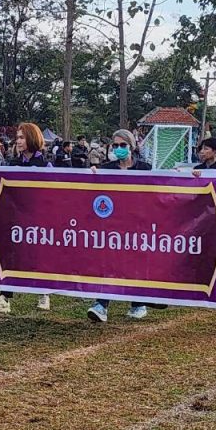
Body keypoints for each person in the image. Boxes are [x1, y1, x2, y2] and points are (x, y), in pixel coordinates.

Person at [86, 129, 157, 324]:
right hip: (113, 226)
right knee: (109, 263)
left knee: (136, 263)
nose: (119, 149)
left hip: (138, 225)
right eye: (115, 145)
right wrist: (92, 176)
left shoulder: (145, 168)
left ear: (131, 146)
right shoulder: (106, 168)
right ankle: (101, 305)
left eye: (122, 145)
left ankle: (138, 303)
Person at [0, 123, 52, 316]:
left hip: (39, 220)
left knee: (38, 256)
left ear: (32, 138)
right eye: (18, 137)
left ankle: (44, 293)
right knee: (11, 256)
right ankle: (4, 298)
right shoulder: (13, 163)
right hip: (16, 220)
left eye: (22, 137)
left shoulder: (46, 164)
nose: (18, 141)